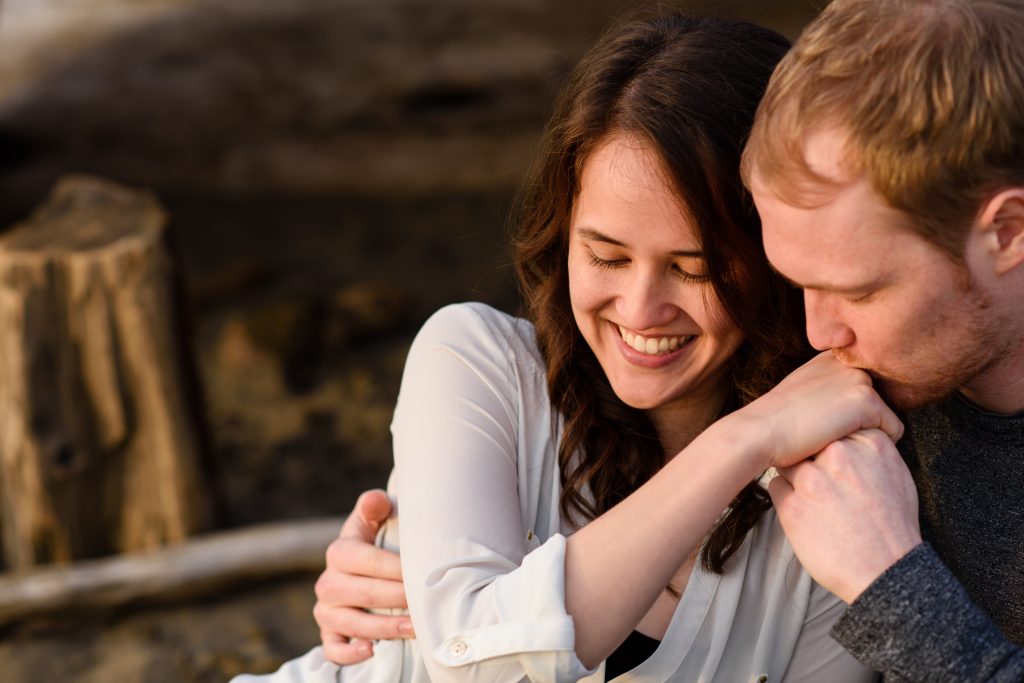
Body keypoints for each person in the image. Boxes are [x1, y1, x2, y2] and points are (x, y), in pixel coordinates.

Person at [320, 1, 1024, 681]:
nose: (821, 334)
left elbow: (479, 661)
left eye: (696, 268)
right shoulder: (480, 360)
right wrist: (744, 440)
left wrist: (892, 587)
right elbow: (468, 660)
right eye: (605, 255)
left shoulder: (856, 473)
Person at [741, 0, 1024, 680]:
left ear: (1009, 231)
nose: (818, 332)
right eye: (797, 282)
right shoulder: (848, 374)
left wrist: (892, 587)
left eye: (861, 291)